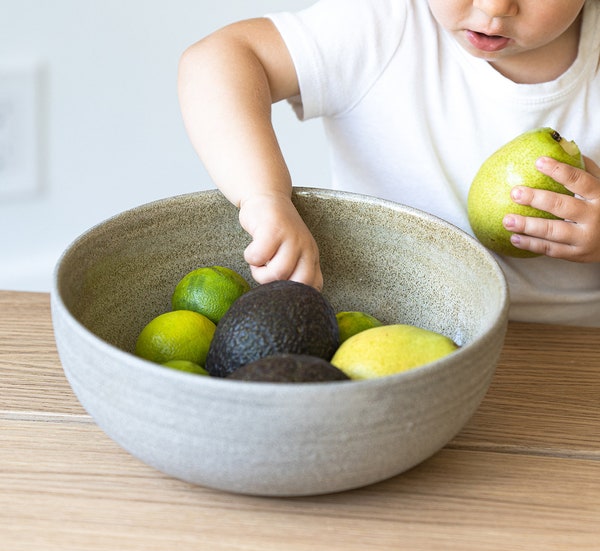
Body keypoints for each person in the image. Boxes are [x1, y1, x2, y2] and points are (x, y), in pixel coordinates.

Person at [177, 0, 600, 326]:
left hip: (562, 348)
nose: (493, 7)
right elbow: (216, 60)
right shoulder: (384, 24)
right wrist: (263, 197)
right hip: (380, 333)